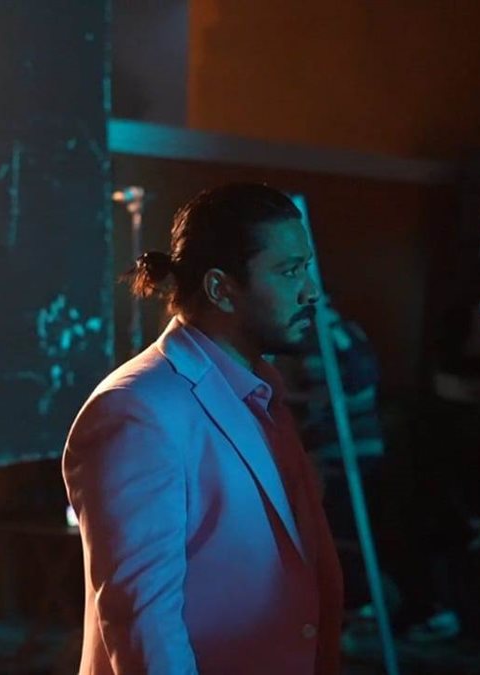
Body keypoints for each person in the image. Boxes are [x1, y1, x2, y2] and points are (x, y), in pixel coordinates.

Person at [62, 183, 343, 675]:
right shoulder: (136, 409)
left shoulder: (260, 389)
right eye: (289, 271)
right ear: (219, 289)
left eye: (306, 267)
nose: (310, 290)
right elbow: (146, 626)